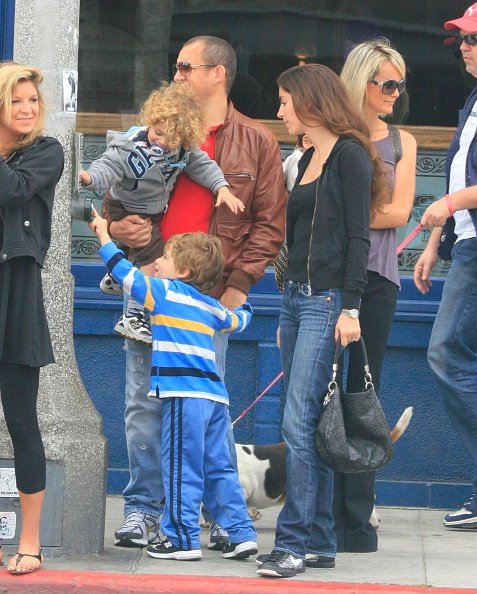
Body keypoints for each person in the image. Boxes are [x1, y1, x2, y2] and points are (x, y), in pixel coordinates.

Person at [104, 35, 286, 549]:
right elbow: (115, 198)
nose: (177, 76)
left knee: (205, 412)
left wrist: (238, 287)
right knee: (143, 404)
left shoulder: (256, 142)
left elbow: (269, 225)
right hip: (148, 284)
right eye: (176, 68)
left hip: (209, 298)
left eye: (186, 67)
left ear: (217, 74)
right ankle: (144, 508)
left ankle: (210, 514)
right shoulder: (148, 133)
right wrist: (119, 230)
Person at [256, 63, 388, 579]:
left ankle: (291, 543)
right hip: (294, 299)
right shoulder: (306, 156)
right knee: (310, 423)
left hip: (329, 299)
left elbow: (360, 237)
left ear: (310, 102)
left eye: (286, 101)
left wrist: (351, 307)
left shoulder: (350, 156)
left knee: (299, 421)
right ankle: (320, 542)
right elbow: (295, 237)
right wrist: (284, 302)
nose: (280, 110)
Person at [89, 211, 258, 560]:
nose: (159, 262)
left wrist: (104, 236)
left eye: (165, 257)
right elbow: (239, 319)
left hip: (184, 395)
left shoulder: (163, 292)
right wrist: (248, 307)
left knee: (181, 463)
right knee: (219, 465)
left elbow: (124, 274)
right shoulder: (209, 305)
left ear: (182, 271)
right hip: (215, 398)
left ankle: (181, 538)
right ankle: (242, 533)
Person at [413, 0, 477, 529]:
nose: (463, 48)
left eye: (475, 38)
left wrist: (447, 207)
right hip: (471, 242)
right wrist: (436, 235)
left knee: (447, 351)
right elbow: (462, 178)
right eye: (461, 40)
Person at [333, 38, 417, 553]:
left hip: (377, 280)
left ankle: (356, 519)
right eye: (385, 82)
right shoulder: (334, 136)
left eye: (398, 84)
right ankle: (317, 508)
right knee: (313, 396)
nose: (394, 92)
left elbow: (399, 213)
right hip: (325, 280)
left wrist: (341, 219)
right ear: (359, 81)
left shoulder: (401, 142)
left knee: (362, 397)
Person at [81, 82, 243, 345]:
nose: (162, 142)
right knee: (152, 257)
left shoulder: (183, 151)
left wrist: (221, 188)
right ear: (151, 120)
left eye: (172, 139)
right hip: (124, 204)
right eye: (158, 132)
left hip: (151, 209)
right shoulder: (132, 145)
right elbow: (109, 166)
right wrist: (90, 177)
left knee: (141, 249)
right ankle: (132, 317)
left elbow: (204, 166)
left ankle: (115, 276)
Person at [0, 62, 64, 573]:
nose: (27, 110)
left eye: (32, 102)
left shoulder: (46, 153)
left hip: (16, 294)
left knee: (23, 421)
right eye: (16, 100)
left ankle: (31, 541)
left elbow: (12, 190)